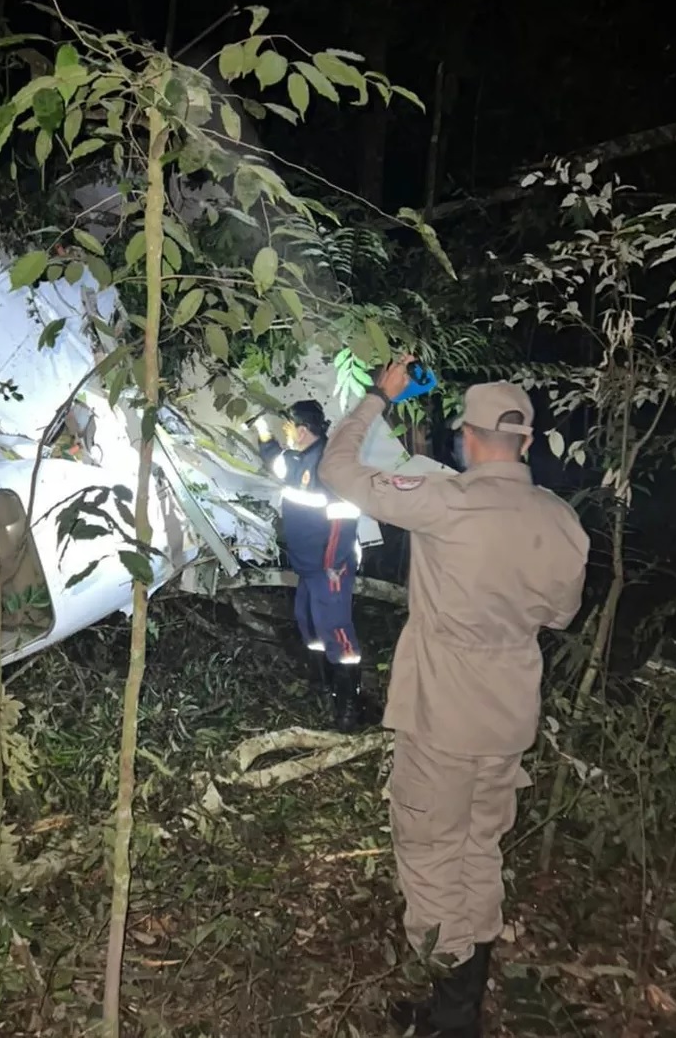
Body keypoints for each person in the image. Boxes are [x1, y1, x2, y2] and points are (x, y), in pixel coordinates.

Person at [318, 361, 590, 1038]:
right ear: (527, 442)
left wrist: (378, 396)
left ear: (466, 438)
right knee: (478, 848)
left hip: (442, 716)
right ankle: (461, 1004)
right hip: (508, 717)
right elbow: (559, 615)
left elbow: (338, 470)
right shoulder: (562, 522)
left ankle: (451, 1010)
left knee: (431, 852)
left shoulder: (445, 500)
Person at [255, 399, 364, 731]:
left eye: (288, 427)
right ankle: (324, 684)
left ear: (302, 430)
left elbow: (343, 520)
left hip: (329, 567)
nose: (286, 432)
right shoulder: (295, 459)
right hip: (306, 567)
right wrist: (262, 432)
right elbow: (274, 461)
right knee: (309, 624)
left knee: (336, 629)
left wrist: (332, 565)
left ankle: (349, 704)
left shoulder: (329, 465)